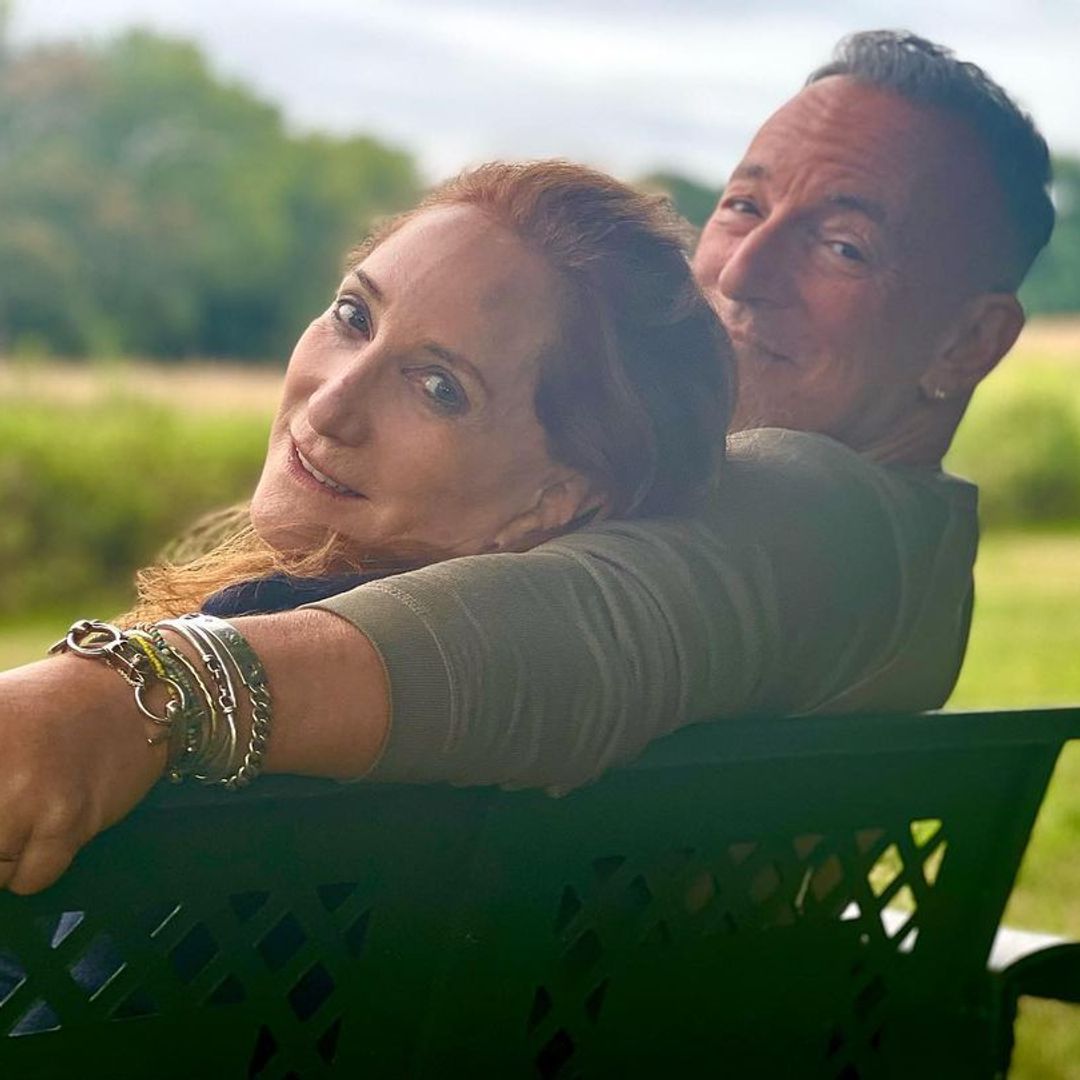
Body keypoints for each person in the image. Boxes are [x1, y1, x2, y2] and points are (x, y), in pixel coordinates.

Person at [0, 31, 1055, 898]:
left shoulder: (834, 527)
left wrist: (147, 691)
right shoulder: (901, 569)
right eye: (742, 204)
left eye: (844, 246)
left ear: (966, 343)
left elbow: (590, 629)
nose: (744, 269)